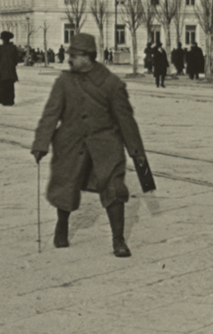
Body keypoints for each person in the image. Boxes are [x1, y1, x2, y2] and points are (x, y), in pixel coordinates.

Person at [31, 33, 147, 257]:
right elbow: (50, 114)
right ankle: (62, 225)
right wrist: (40, 143)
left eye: (74, 56)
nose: (69, 60)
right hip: (71, 143)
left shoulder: (111, 84)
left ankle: (118, 240)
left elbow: (126, 120)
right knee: (66, 184)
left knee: (115, 189)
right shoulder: (64, 82)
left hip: (105, 146)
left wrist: (137, 153)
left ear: (88, 57)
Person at [0, 31, 21, 105]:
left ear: (2, 39)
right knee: (10, 86)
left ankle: (2, 100)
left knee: (2, 86)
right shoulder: (13, 48)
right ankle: (10, 101)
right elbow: (17, 59)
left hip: (1, 71)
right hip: (11, 71)